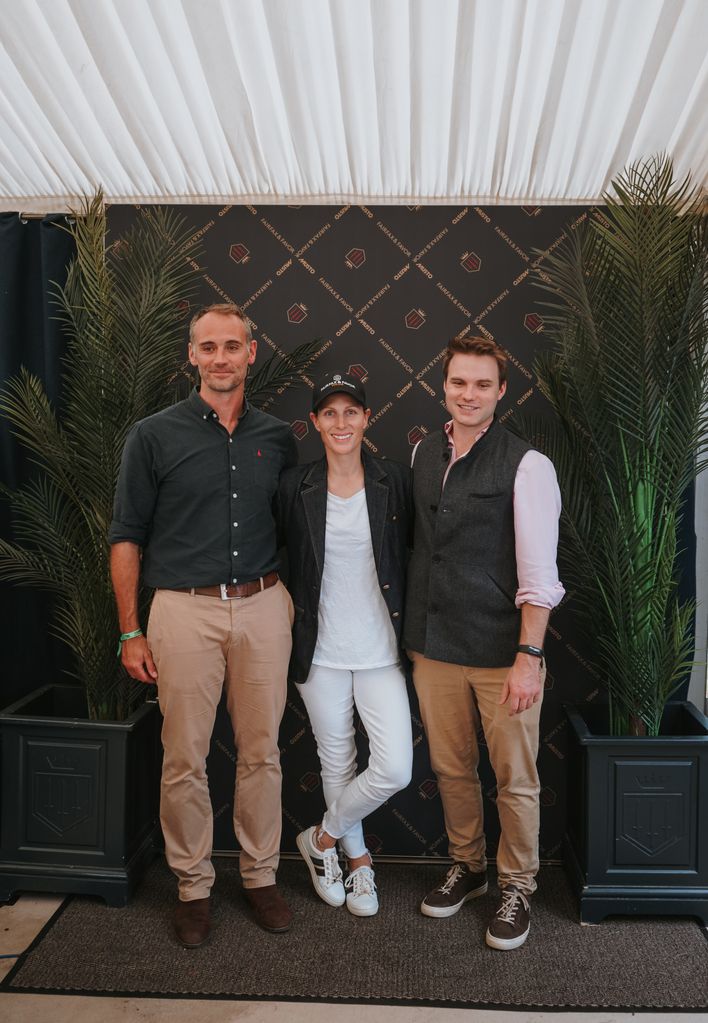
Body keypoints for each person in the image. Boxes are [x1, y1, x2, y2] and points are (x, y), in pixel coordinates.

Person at [109, 302, 297, 946]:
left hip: (264, 604)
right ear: (191, 356)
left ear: (252, 352)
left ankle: (260, 876)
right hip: (182, 611)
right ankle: (192, 886)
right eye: (208, 347)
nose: (221, 357)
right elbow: (127, 536)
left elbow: (296, 531)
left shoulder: (278, 437)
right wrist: (131, 630)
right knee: (183, 757)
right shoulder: (152, 435)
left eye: (232, 346)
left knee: (262, 753)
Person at [404, 335, 564, 950]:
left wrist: (529, 658)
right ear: (443, 386)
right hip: (434, 646)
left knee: (514, 777)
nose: (467, 394)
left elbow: (539, 576)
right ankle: (468, 867)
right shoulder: (423, 452)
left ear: (501, 391)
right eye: (458, 383)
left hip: (504, 654)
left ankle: (516, 886)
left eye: (481, 384)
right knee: (450, 768)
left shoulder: (527, 465)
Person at [277, 371, 413, 916]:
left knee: (395, 767)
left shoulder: (394, 481)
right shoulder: (295, 486)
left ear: (366, 418)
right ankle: (359, 867)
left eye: (350, 412)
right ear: (314, 422)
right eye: (329, 413)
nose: (341, 422)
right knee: (336, 761)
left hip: (381, 649)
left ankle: (321, 840)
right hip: (319, 650)